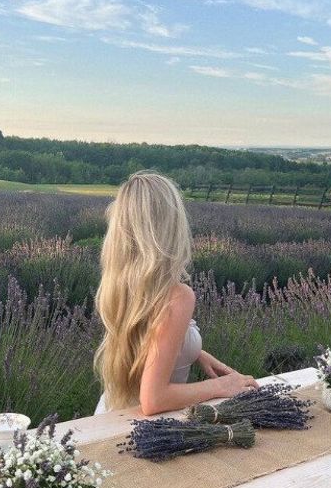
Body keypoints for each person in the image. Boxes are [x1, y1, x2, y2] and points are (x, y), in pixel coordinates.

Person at [94, 171, 258, 415]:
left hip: (111, 414)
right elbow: (154, 400)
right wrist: (223, 385)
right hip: (144, 428)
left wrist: (193, 352)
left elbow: (147, 342)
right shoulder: (177, 296)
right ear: (171, 226)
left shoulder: (119, 282)